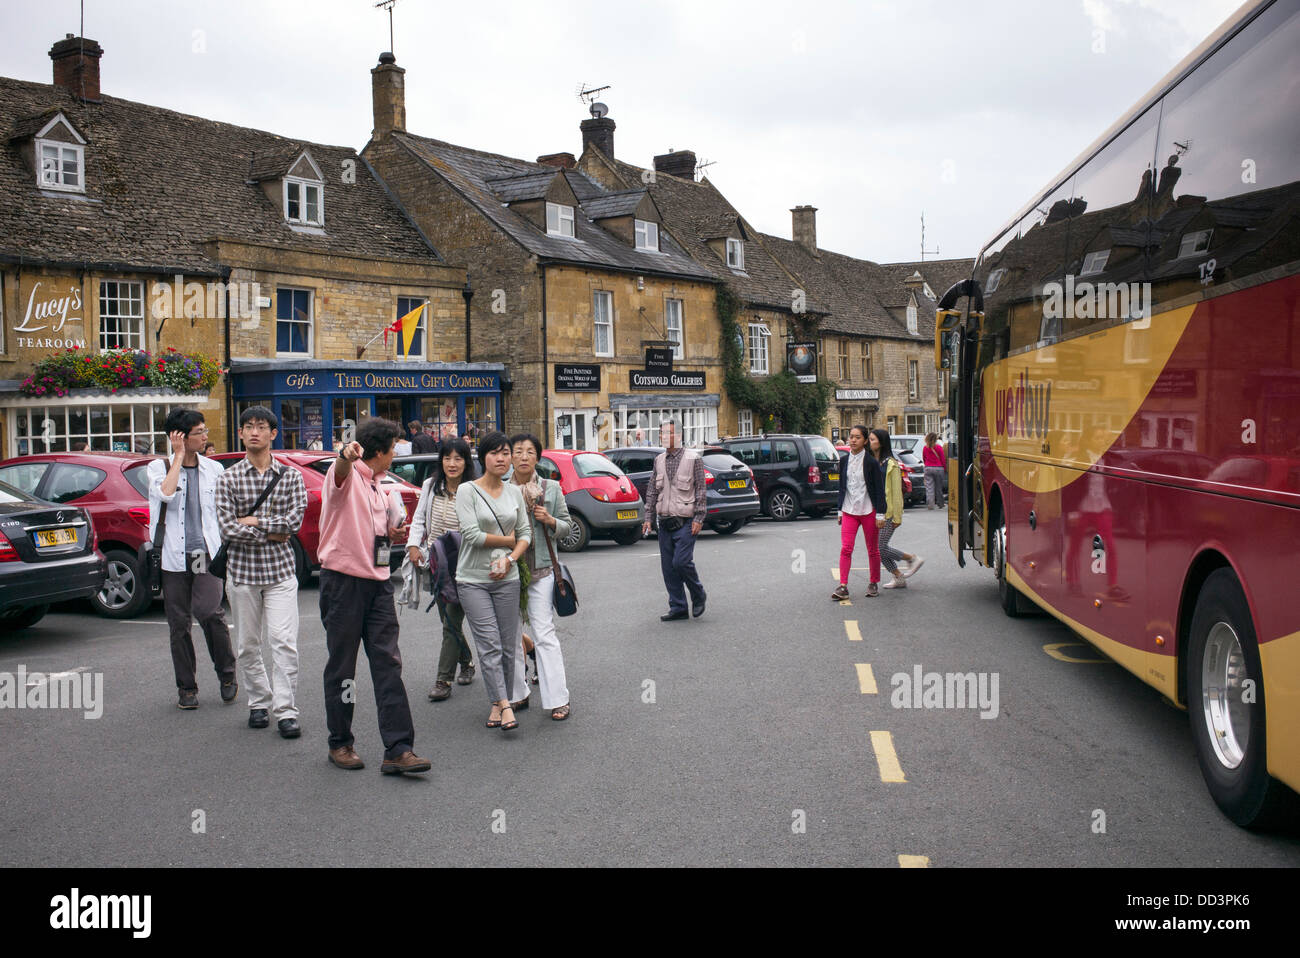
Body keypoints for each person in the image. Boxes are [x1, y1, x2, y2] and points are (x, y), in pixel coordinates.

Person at [319, 418, 430, 774]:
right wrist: (345, 454)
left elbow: (376, 532)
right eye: (394, 446)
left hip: (379, 582)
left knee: (388, 665)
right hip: (343, 584)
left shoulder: (382, 487)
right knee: (343, 669)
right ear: (378, 451)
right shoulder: (348, 477)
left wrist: (392, 532)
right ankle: (341, 742)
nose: (397, 452)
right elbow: (338, 473)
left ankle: (398, 749)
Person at [215, 406, 307, 737]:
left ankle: (285, 710)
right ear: (240, 433)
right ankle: (258, 703)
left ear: (273, 433)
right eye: (248, 426)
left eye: (261, 426)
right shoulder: (228, 478)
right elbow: (227, 529)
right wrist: (272, 531)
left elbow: (294, 522)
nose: (254, 431)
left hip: (281, 573)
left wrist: (253, 520)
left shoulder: (291, 476)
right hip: (241, 574)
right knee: (248, 645)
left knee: (284, 642)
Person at [148, 408, 237, 710]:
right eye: (199, 432)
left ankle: (227, 674)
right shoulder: (157, 468)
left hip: (204, 554)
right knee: (178, 624)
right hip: (174, 555)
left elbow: (223, 511)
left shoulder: (214, 469)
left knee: (210, 612)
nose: (205, 436)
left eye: (204, 431)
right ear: (180, 437)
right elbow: (166, 495)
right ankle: (187, 688)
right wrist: (176, 457)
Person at [455, 431, 531, 732]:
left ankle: (498, 701)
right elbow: (471, 535)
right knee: (488, 645)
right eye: (495, 453)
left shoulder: (514, 492)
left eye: (505, 453)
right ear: (483, 458)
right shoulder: (467, 491)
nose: (502, 459)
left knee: (508, 644)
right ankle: (506, 706)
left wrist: (510, 558)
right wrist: (508, 540)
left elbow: (526, 534)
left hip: (508, 578)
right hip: (473, 579)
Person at [507, 433, 573, 720]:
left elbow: (567, 528)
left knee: (544, 635)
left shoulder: (551, 488)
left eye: (529, 452)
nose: (523, 457)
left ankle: (558, 698)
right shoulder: (499, 489)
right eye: (518, 451)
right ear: (509, 456)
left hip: (543, 571)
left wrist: (550, 520)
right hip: (509, 571)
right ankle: (517, 695)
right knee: (509, 637)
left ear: (537, 457)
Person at [407, 436, 476, 702]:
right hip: (438, 563)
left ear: (466, 461)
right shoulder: (430, 485)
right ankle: (467, 662)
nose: (452, 463)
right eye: (447, 458)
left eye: (458, 458)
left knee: (450, 622)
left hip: (465, 561)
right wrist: (414, 546)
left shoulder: (472, 489)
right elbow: (419, 520)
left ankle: (443, 679)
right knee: (448, 621)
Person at [641, 419, 707, 621]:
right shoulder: (659, 460)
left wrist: (699, 517)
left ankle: (698, 594)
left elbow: (701, 490)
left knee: (681, 562)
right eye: (661, 433)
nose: (662, 437)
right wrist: (648, 517)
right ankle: (678, 606)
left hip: (686, 521)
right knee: (668, 567)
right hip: (665, 521)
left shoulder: (693, 459)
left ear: (678, 435)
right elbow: (652, 489)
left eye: (667, 433)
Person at [832, 424, 886, 600]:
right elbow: (842, 487)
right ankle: (843, 586)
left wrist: (880, 514)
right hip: (849, 510)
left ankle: (873, 582)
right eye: (851, 436)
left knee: (872, 550)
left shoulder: (871, 462)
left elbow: (879, 489)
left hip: (868, 510)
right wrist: (840, 510)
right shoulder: (844, 460)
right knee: (846, 548)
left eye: (857, 437)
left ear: (864, 441)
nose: (853, 440)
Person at [870, 428, 923, 590]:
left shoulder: (891, 464)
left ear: (881, 442)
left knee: (881, 547)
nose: (870, 442)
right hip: (875, 512)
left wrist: (897, 517)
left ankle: (912, 558)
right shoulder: (873, 462)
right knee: (880, 549)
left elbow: (896, 493)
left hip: (889, 513)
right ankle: (899, 578)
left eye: (872, 440)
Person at [922, 433, 946, 509]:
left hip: (928, 468)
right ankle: (940, 503)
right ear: (935, 439)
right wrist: (945, 468)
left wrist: (927, 465)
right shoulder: (939, 447)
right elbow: (942, 459)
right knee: (939, 487)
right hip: (939, 468)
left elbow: (924, 458)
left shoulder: (925, 448)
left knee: (929, 487)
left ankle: (930, 504)